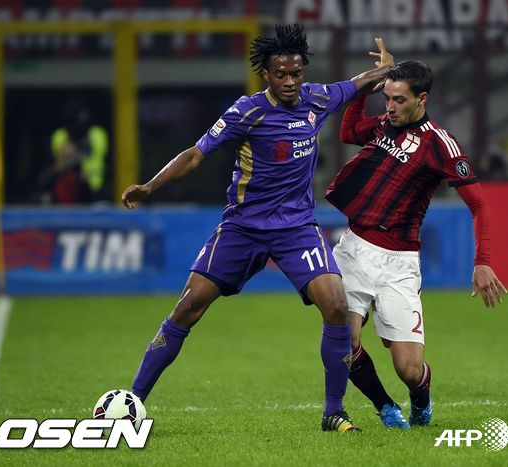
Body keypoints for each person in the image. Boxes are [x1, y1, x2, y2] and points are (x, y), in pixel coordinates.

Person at [121, 25, 393, 433]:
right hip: (243, 227)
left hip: (297, 228)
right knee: (188, 307)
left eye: (296, 73)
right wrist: (149, 187)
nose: (290, 82)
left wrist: (386, 69)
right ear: (265, 74)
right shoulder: (246, 112)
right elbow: (195, 155)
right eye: (280, 75)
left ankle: (334, 411)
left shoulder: (317, 98)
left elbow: (357, 84)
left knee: (336, 305)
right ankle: (133, 400)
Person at [326, 59, 507, 429]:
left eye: (399, 100)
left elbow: (480, 205)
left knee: (408, 368)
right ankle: (385, 407)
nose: (390, 107)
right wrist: (365, 88)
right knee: (344, 339)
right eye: (387, 98)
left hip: (399, 262)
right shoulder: (382, 124)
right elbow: (348, 131)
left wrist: (483, 261)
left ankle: (420, 401)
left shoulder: (441, 145)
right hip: (354, 248)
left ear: (422, 99)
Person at [51, 101, 109, 199]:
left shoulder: (97, 134)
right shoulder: (60, 136)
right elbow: (58, 166)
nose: (81, 120)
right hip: (68, 190)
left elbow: (100, 156)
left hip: (94, 188)